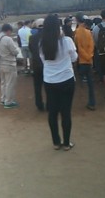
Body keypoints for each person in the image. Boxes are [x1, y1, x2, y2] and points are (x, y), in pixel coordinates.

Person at [39, 15, 77, 151]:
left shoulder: (42, 44)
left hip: (50, 80)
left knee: (53, 112)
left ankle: (56, 142)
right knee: (66, 112)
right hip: (66, 79)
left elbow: (44, 61)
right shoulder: (66, 41)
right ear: (58, 27)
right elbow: (74, 57)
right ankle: (66, 143)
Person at [0, 24, 20, 109]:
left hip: (0, 64)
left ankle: (3, 99)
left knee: (3, 83)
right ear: (8, 30)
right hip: (9, 64)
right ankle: (8, 102)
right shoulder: (8, 39)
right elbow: (15, 52)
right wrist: (17, 49)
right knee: (10, 84)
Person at [72, 17, 97, 110]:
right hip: (89, 60)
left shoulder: (76, 33)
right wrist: (89, 56)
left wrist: (84, 56)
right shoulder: (89, 33)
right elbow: (92, 46)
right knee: (90, 84)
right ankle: (92, 102)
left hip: (80, 61)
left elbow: (77, 47)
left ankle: (77, 101)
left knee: (78, 82)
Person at [28, 19, 46, 111]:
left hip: (36, 64)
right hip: (47, 65)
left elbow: (31, 50)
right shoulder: (48, 37)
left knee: (37, 86)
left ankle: (39, 104)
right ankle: (50, 103)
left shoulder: (32, 38)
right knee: (48, 86)